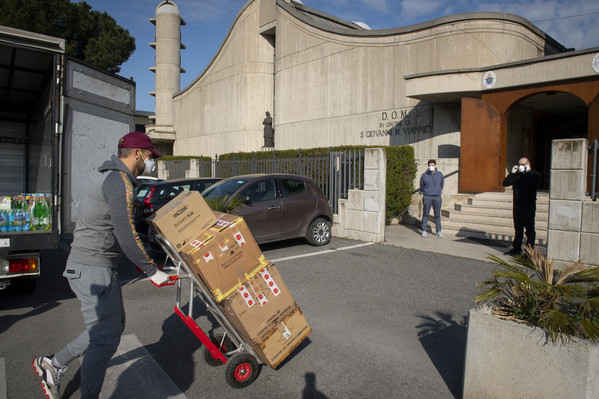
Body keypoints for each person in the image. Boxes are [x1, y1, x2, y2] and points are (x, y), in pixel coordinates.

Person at [32, 132, 170, 399]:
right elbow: (126, 235)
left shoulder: (116, 179)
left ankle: (54, 363)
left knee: (110, 327)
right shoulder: (119, 182)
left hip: (95, 266)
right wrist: (153, 271)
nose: (152, 163)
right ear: (136, 154)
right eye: (150, 156)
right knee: (105, 338)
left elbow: (120, 221)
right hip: (91, 267)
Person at [502, 157, 542, 256]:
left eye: (523, 165)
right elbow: (505, 183)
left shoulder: (534, 174)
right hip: (517, 205)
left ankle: (528, 252)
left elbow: (534, 184)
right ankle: (516, 249)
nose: (520, 167)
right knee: (518, 229)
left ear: (528, 164)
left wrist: (527, 172)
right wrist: (512, 173)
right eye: (519, 165)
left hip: (529, 206)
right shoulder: (516, 175)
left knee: (529, 230)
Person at [420, 159, 444, 237]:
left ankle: (439, 231)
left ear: (435, 166)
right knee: (426, 214)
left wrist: (438, 191)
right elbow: (421, 186)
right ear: (428, 166)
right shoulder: (424, 175)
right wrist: (425, 192)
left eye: (433, 165)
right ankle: (424, 230)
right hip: (427, 197)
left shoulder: (440, 174)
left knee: (437, 215)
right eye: (430, 165)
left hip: (437, 197)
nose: (431, 167)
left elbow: (441, 185)